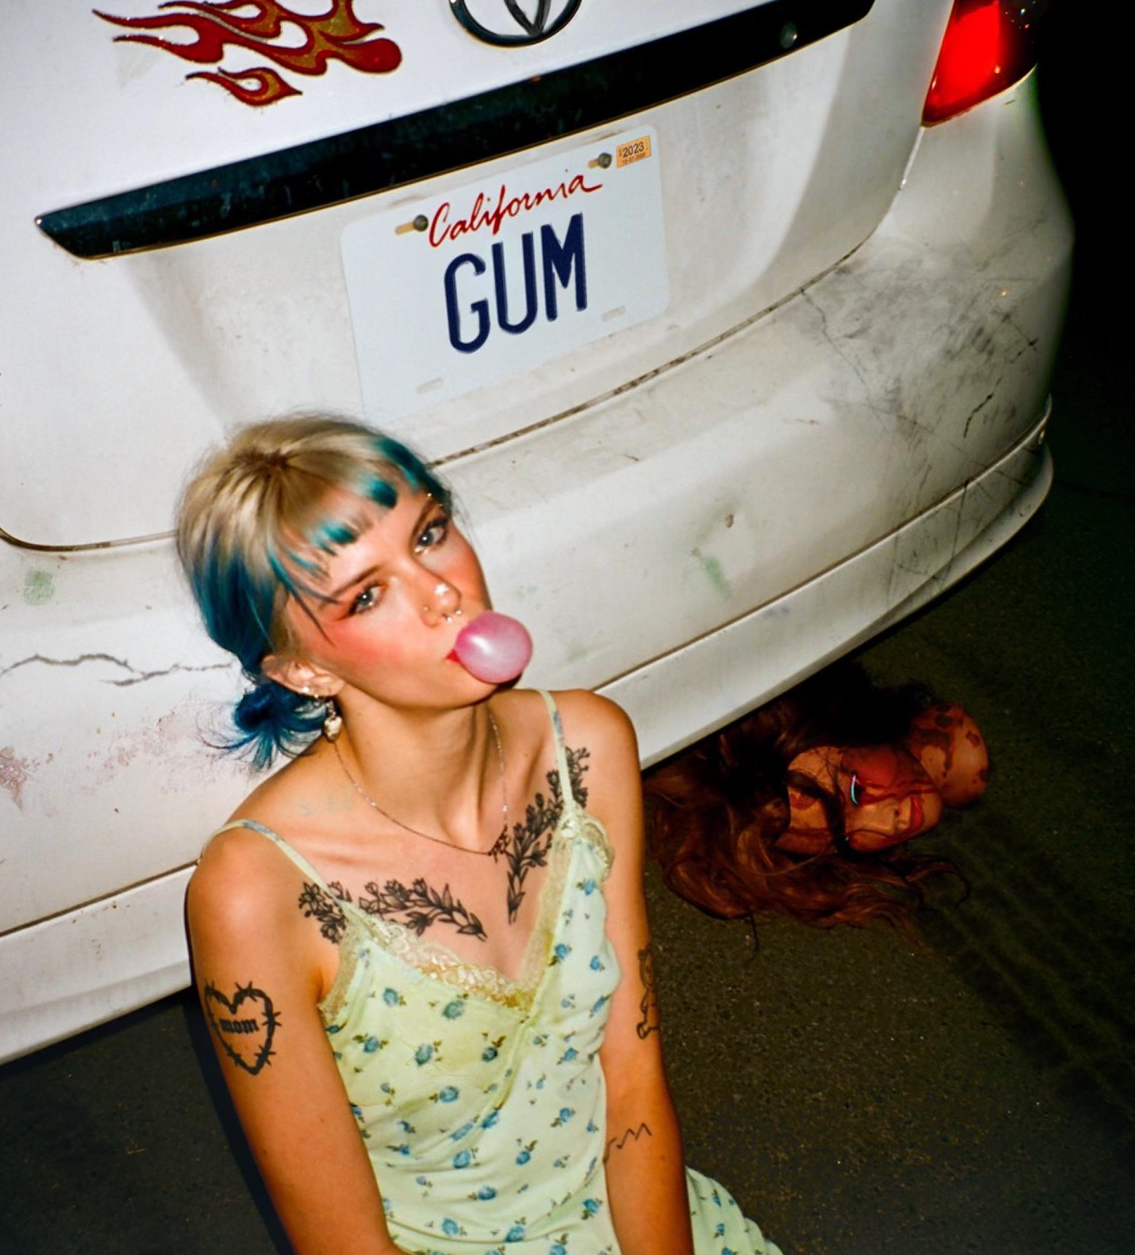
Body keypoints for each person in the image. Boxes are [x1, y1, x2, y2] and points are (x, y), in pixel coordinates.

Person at [176, 414, 780, 1255]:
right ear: (304, 669)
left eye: (429, 533)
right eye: (368, 593)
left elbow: (633, 1091)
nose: (442, 592)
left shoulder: (587, 746)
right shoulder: (256, 891)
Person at [643, 665, 988, 932]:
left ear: (856, 727)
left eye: (856, 791)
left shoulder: (945, 742)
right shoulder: (939, 761)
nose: (882, 827)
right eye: (842, 841)